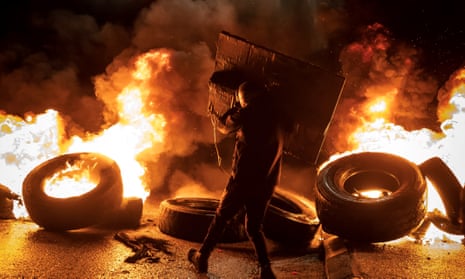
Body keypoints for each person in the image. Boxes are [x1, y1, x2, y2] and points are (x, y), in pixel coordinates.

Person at [188, 81, 285, 279]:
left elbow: (225, 126)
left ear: (245, 98)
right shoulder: (278, 115)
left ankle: (202, 256)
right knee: (253, 226)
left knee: (221, 217)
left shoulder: (248, 114)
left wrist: (234, 108)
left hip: (243, 179)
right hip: (266, 182)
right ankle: (266, 269)